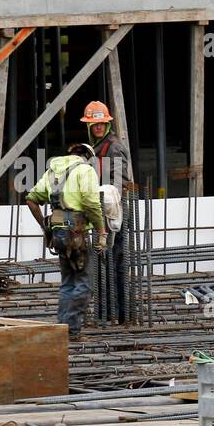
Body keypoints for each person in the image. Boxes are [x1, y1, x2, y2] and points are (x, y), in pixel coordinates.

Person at [25, 143, 107, 340]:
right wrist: (101, 230)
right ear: (88, 157)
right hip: (76, 232)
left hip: (59, 232)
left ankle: (63, 328)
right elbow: (90, 202)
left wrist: (45, 228)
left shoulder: (53, 171)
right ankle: (73, 330)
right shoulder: (85, 170)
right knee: (84, 282)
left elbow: (31, 199)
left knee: (68, 281)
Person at [82, 100, 136, 323]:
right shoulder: (93, 149)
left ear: (107, 124)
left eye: (101, 124)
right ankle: (106, 313)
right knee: (102, 265)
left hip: (114, 214)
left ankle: (122, 315)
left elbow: (118, 183)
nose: (97, 128)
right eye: (94, 125)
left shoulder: (114, 146)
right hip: (100, 213)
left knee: (117, 264)